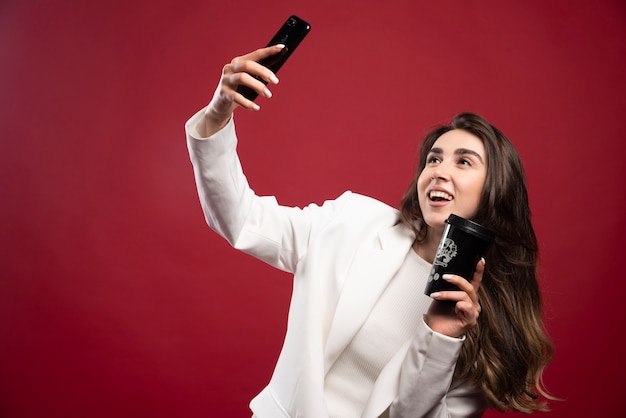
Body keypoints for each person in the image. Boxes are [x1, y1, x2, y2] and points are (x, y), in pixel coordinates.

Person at [185, 45, 555, 417]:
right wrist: (218, 116)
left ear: (496, 188)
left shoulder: (482, 321)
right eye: (434, 158)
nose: (440, 170)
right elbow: (241, 219)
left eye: (464, 162)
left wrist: (443, 335)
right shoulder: (353, 222)